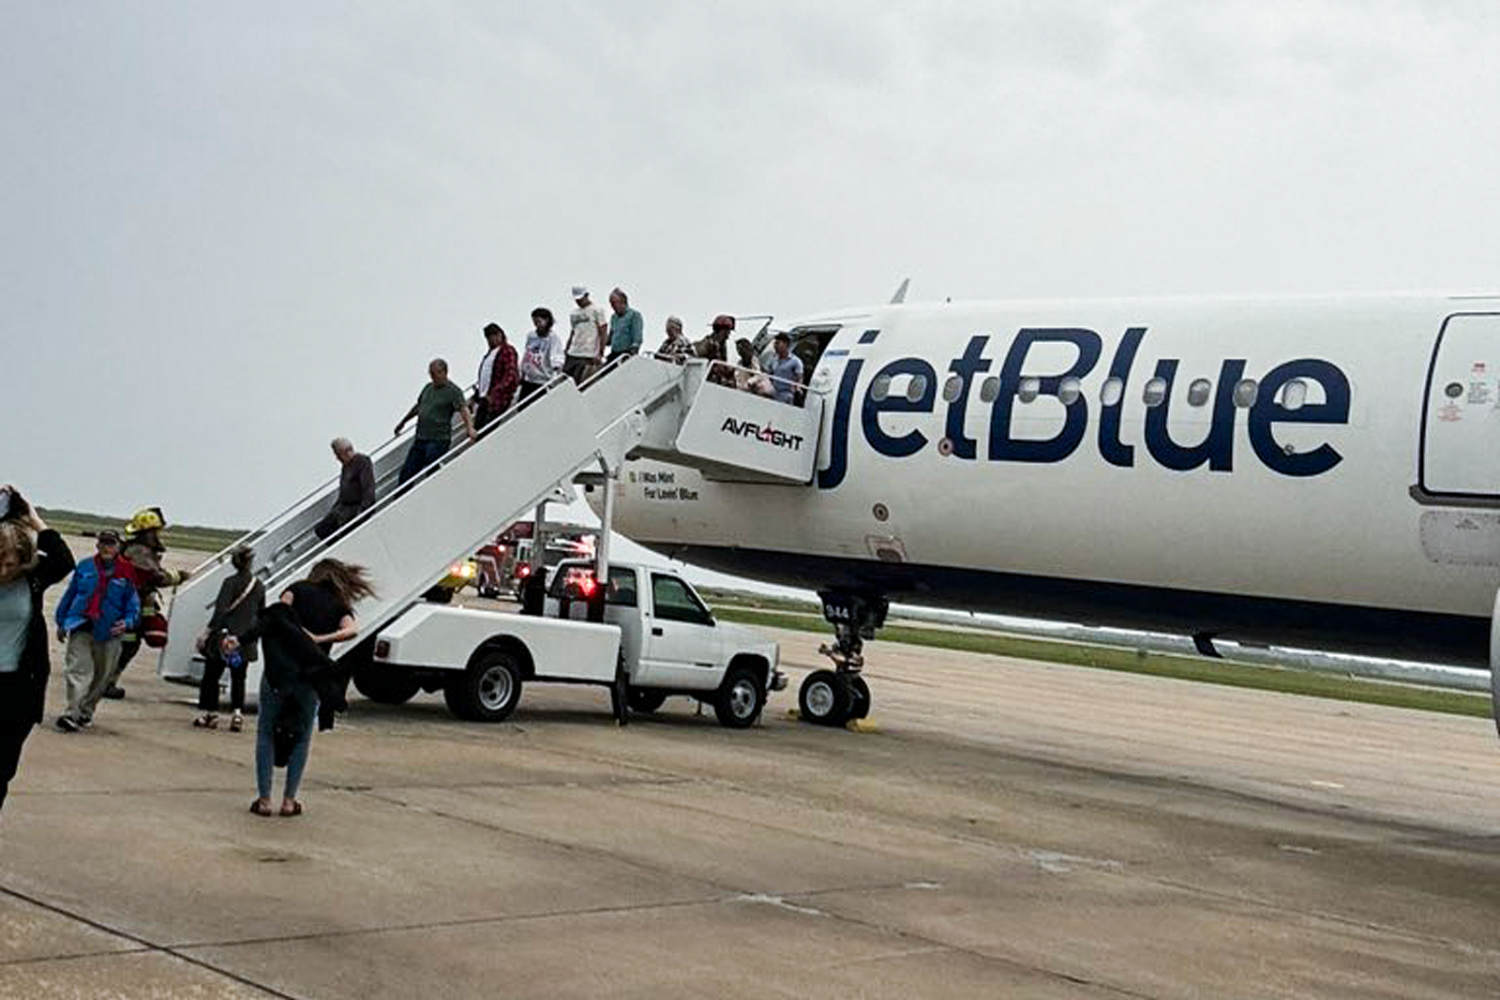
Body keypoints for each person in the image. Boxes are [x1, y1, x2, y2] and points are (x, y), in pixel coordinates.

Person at [228, 558, 374, 817]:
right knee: (302, 737)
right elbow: (351, 631)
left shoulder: (296, 589)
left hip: (278, 674)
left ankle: (263, 800)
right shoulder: (340, 606)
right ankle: (288, 801)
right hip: (311, 679)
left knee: (266, 734)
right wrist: (320, 639)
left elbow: (276, 617)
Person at [0, 487, 75, 810]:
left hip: (16, 690)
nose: (4, 572)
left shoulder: (31, 581)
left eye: (11, 564)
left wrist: (33, 519)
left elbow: (63, 560)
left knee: (0, 774)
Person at [54, 529, 139, 732]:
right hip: (81, 624)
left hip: (109, 631)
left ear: (118, 547)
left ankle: (86, 711)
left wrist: (128, 621)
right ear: (97, 545)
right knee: (77, 670)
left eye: (111, 544)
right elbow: (71, 594)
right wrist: (61, 621)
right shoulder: (85, 567)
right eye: (103, 543)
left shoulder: (126, 572)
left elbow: (133, 603)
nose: (106, 548)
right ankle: (71, 713)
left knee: (102, 676)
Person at [108, 507, 187, 699]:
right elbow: (152, 577)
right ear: (148, 532)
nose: (158, 535)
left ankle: (108, 680)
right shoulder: (139, 552)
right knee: (126, 645)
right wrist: (178, 577)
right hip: (129, 606)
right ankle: (106, 682)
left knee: (129, 644)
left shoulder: (139, 550)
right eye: (156, 531)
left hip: (133, 605)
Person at [193, 545, 264, 732]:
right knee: (239, 677)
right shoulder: (259, 585)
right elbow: (260, 613)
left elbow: (220, 612)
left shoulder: (229, 583)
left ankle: (211, 713)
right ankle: (237, 714)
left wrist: (206, 633)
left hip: (224, 641)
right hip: (243, 642)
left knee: (211, 676)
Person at [394, 359, 476, 485]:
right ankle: (401, 497)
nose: (433, 377)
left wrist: (470, 428)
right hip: (421, 438)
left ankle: (438, 484)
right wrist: (403, 421)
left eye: (435, 373)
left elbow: (463, 409)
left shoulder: (453, 391)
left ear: (444, 372)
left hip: (438, 439)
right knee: (407, 472)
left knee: (431, 461)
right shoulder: (428, 388)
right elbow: (418, 407)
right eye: (431, 373)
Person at [313, 438, 376, 540]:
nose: (338, 458)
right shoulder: (346, 467)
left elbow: (368, 488)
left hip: (355, 508)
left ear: (347, 451)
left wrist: (363, 511)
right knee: (321, 528)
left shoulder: (362, 462)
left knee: (336, 527)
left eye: (338, 455)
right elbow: (343, 494)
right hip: (343, 508)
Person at [473, 323, 518, 429]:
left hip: (497, 399)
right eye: (488, 337)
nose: (490, 340)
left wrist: (496, 392)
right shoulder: (489, 354)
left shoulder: (506, 351)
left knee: (487, 429)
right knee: (478, 429)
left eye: (492, 336)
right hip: (484, 398)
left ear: (499, 335)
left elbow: (510, 375)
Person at [564, 286, 608, 384]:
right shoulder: (573, 313)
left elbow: (603, 331)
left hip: (588, 353)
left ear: (586, 295)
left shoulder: (597, 310)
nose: (579, 301)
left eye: (580, 299)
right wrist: (567, 348)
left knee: (582, 381)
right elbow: (573, 332)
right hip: (573, 352)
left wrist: (601, 352)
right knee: (566, 381)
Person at [520, 307, 566, 401]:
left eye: (539, 322)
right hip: (529, 379)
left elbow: (556, 357)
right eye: (535, 322)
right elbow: (527, 353)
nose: (537, 325)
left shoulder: (553, 338)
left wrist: (555, 372)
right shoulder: (531, 336)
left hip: (542, 380)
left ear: (547, 320)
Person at [764, 331, 805, 405]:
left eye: (778, 343)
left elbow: (799, 378)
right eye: (774, 343)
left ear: (785, 344)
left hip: (787, 394)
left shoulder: (795, 361)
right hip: (773, 392)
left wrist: (798, 388)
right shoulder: (773, 359)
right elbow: (768, 373)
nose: (775, 346)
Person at [697, 314, 736, 387]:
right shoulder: (708, 344)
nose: (728, 336)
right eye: (727, 332)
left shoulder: (721, 347)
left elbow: (722, 364)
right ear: (722, 331)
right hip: (707, 384)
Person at [606, 288, 643, 362]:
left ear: (623, 301)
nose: (612, 306)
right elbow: (610, 338)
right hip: (614, 353)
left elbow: (637, 337)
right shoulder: (614, 317)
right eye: (611, 303)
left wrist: (633, 350)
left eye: (614, 303)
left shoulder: (634, 315)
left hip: (626, 354)